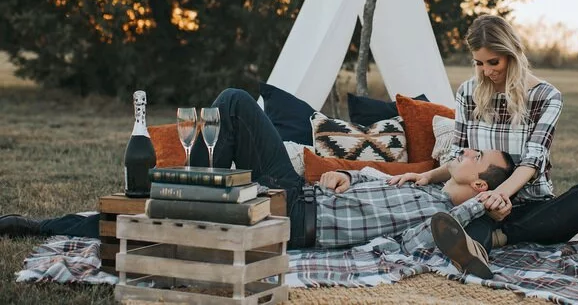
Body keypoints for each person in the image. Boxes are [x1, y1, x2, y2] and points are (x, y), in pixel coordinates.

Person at [1, 88, 514, 268]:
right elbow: (359, 184)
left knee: (167, 215)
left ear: (482, 186)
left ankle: (41, 225)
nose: (466, 150)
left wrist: (478, 214)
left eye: (476, 155)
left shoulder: (443, 218)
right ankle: (197, 186)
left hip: (294, 217)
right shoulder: (420, 185)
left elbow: (417, 243)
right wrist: (346, 179)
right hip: (299, 195)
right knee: (234, 102)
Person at [389, 14, 578, 275]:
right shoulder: (468, 92)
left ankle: (494, 238)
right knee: (467, 216)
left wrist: (500, 195)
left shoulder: (547, 97)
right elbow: (459, 154)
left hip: (527, 205)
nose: (486, 70)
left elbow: (533, 160)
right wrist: (428, 175)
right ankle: (476, 237)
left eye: (494, 62)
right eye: (479, 63)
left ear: (512, 55)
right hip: (476, 202)